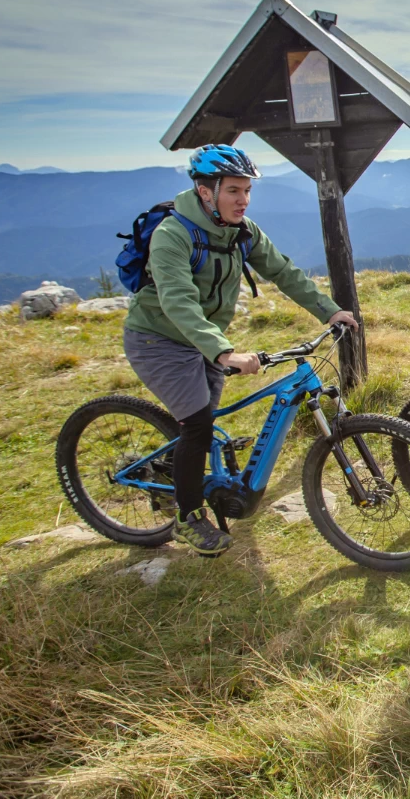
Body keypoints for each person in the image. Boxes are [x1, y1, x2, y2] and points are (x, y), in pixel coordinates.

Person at [123, 144, 357, 556]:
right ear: (205, 191)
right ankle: (187, 518)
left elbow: (284, 272)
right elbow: (179, 302)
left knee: (203, 419)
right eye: (234, 190)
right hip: (158, 340)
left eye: (247, 190)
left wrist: (330, 311)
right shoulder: (172, 235)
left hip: (204, 339)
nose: (243, 200)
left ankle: (181, 472)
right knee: (196, 423)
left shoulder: (243, 232)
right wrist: (223, 352)